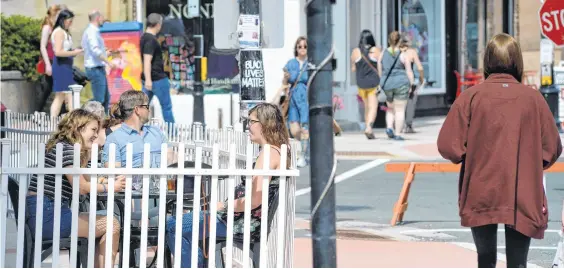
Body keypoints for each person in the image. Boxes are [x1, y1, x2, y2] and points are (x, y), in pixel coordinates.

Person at [437, 33, 563, 268]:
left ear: (487, 60)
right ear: (517, 61)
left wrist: (472, 155)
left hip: (481, 187)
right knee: (518, 263)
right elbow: (552, 147)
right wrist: (531, 162)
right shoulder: (533, 99)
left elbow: (448, 145)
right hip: (522, 190)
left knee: (485, 260)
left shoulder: (471, 97)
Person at [166, 103, 290, 267]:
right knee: (181, 224)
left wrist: (223, 206)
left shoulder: (267, 153)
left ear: (265, 124)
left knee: (173, 226)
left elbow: (254, 200)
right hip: (242, 219)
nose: (248, 127)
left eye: (251, 122)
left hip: (238, 221)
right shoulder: (278, 150)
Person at [26, 109, 126, 268]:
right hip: (48, 216)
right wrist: (109, 187)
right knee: (111, 224)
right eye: (93, 129)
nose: (96, 134)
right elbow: (81, 187)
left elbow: (85, 178)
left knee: (103, 219)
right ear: (79, 127)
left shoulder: (63, 147)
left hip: (43, 213)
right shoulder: (68, 150)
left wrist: (104, 181)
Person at [377, 31, 416, 141]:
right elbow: (409, 71)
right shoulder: (403, 55)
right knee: (399, 110)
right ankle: (398, 133)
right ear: (399, 41)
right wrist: (411, 84)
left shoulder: (383, 54)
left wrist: (382, 80)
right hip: (401, 84)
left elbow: (380, 68)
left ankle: (389, 127)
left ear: (389, 41)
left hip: (387, 84)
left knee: (390, 108)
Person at [141, 13, 175, 123]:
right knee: (167, 108)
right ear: (158, 25)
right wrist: (148, 80)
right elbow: (147, 60)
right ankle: (173, 135)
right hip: (157, 79)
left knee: (142, 108)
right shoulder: (151, 40)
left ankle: (134, 132)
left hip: (149, 79)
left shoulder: (144, 37)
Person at [50, 9, 83, 117]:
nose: (71, 23)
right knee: (62, 95)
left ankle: (70, 120)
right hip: (61, 66)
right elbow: (58, 52)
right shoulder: (59, 32)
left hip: (66, 66)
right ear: (63, 20)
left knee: (66, 95)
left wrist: (74, 51)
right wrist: (73, 52)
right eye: (69, 21)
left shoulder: (64, 32)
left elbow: (65, 50)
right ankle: (56, 121)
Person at [82, 10, 115, 114]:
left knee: (105, 98)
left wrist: (104, 53)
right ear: (97, 18)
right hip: (95, 69)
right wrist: (108, 62)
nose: (103, 20)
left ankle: (102, 122)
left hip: (98, 68)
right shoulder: (91, 32)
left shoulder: (94, 31)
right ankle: (84, 113)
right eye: (102, 17)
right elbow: (95, 50)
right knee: (99, 100)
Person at [283, 36, 309, 167]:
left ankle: (303, 155)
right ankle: (308, 144)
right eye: (300, 46)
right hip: (293, 98)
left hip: (306, 98)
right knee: (294, 129)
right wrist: (285, 81)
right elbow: (284, 82)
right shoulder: (291, 63)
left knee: (305, 127)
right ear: (296, 48)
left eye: (305, 46)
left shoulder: (310, 64)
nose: (302, 49)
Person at [351, 29, 381, 139]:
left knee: (367, 106)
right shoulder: (376, 50)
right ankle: (369, 127)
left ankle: (367, 127)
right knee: (373, 107)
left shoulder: (356, 51)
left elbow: (353, 68)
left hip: (361, 83)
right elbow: (380, 66)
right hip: (373, 83)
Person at [36, 4, 65, 113]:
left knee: (54, 89)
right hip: (50, 61)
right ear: (55, 14)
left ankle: (60, 113)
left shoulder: (55, 27)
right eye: (59, 14)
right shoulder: (47, 27)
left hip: (56, 61)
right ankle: (38, 113)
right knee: (53, 89)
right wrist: (48, 64)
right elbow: (42, 46)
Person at [399, 37, 424, 134]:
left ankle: (398, 125)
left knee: (399, 103)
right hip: (409, 80)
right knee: (410, 102)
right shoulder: (411, 52)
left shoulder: (395, 51)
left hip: (397, 80)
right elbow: (420, 67)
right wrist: (421, 78)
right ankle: (408, 125)